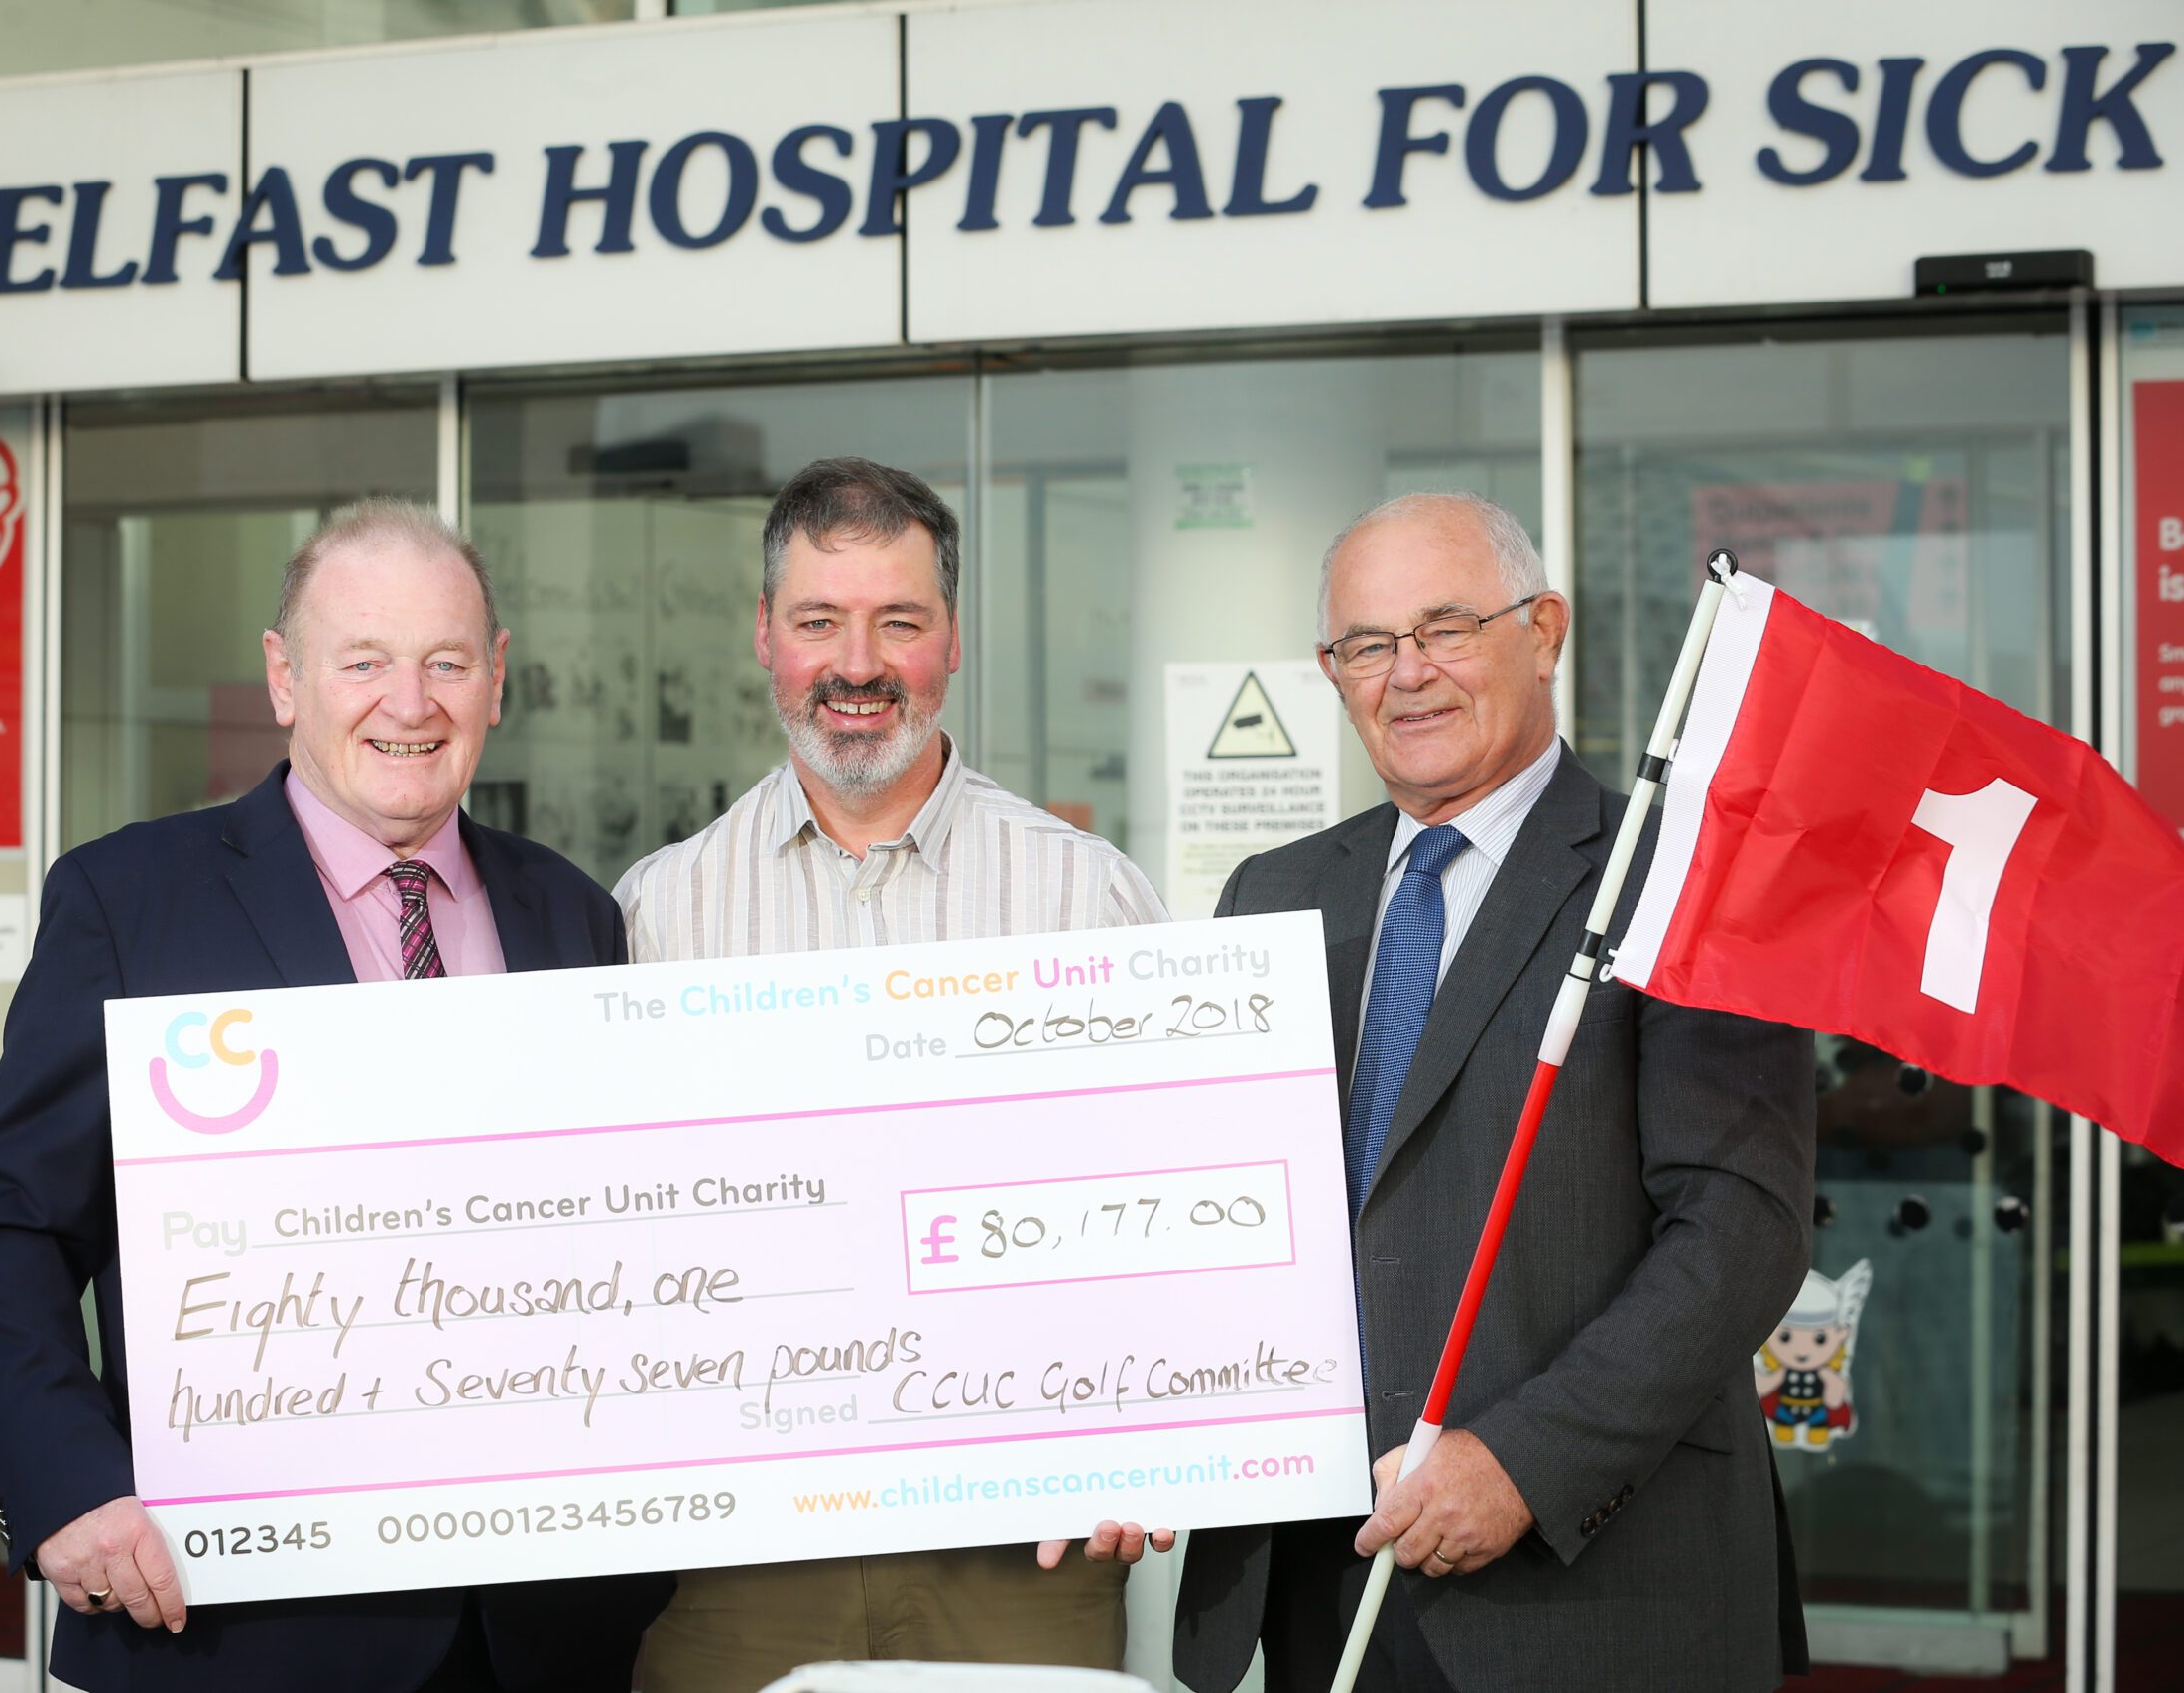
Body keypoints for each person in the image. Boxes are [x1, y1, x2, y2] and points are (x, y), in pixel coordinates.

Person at [0, 499, 670, 1693]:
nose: (410, 702)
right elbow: (11, 1229)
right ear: (285, 678)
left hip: (537, 1629)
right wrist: (67, 1483)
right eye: (364, 662)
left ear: (496, 680)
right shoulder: (129, 903)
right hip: (239, 1627)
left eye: (446, 663)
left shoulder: (573, 913)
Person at [1172, 492, 1815, 1693]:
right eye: (1367, 644)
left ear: (1544, 631)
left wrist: (1525, 1462)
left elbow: (1740, 1230)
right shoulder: (1273, 894)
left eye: (1447, 627)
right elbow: (1207, 1211)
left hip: (1592, 1589)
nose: (1407, 673)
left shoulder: (1679, 882)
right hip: (1315, 1577)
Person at [616, 457, 1174, 1693]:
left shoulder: (1086, 895)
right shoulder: (660, 911)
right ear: (765, 636)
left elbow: (1170, 1202)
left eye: (899, 623)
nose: (857, 664)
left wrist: (1155, 1437)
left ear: (953, 640)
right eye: (819, 621)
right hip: (738, 1552)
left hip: (1020, 1542)